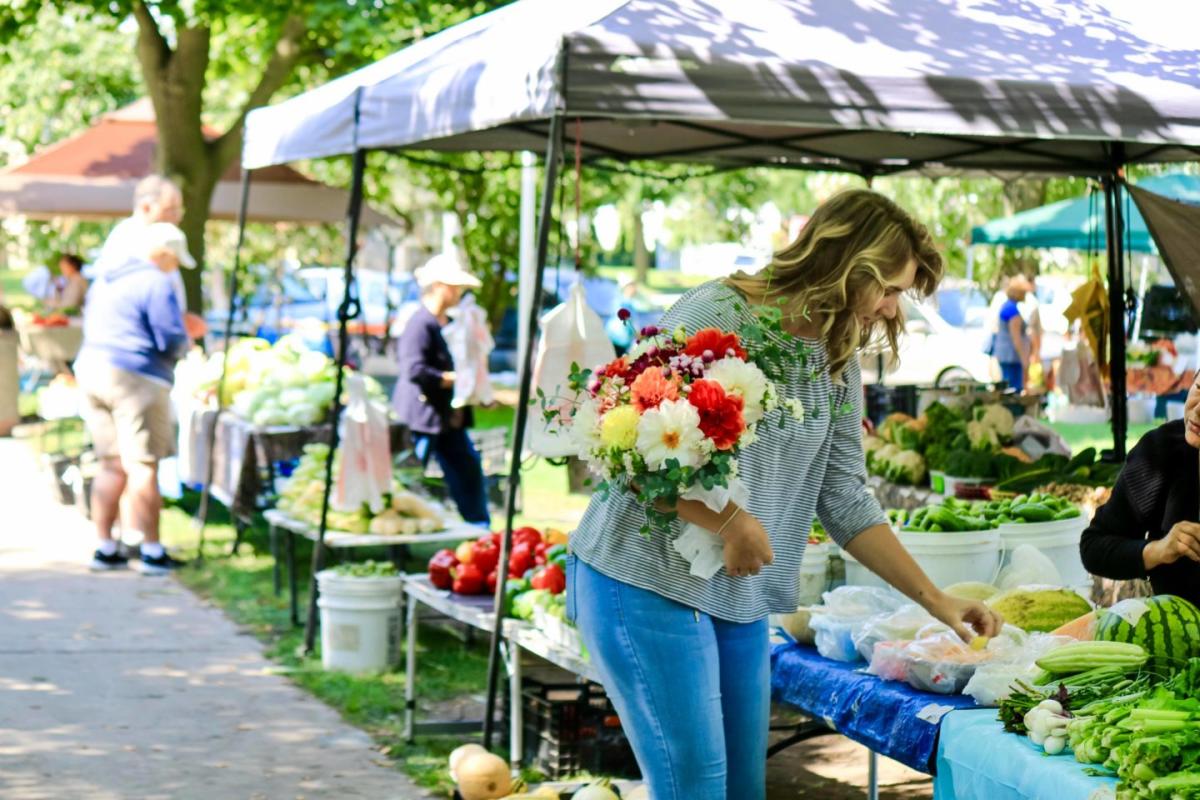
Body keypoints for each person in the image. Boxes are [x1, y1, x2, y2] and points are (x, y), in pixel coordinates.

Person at [566, 189, 1003, 800]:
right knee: (697, 787)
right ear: (852, 263)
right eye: (891, 288)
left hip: (737, 596)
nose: (889, 308)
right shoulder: (717, 314)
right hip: (641, 582)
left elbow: (845, 497)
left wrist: (938, 601)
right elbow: (623, 453)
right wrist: (729, 521)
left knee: (744, 789)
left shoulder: (836, 353)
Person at [75, 223, 194, 574]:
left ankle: (105, 547)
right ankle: (152, 552)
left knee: (110, 463)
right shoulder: (155, 281)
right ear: (164, 253)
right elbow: (170, 337)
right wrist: (188, 341)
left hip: (93, 370)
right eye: (175, 261)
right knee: (143, 465)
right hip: (135, 377)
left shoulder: (107, 278)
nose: (175, 269)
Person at [1080, 373, 1200, 606]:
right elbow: (1094, 546)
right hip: (1179, 633)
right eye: (1199, 388)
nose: (1197, 411)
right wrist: (1159, 550)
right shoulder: (1161, 451)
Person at [393, 253, 491, 525]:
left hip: (444, 419)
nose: (458, 292)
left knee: (467, 469)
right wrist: (452, 379)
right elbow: (413, 369)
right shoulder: (420, 323)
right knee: (408, 478)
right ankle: (398, 531)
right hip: (423, 418)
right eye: (454, 286)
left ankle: (478, 526)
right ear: (438, 286)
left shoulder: (444, 323)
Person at [97, 175, 207, 340]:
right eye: (171, 209)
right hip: (134, 349)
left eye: (179, 209)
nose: (178, 216)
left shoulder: (160, 237)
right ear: (146, 207)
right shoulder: (128, 240)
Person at [993, 275, 1033, 393]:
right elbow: (1016, 337)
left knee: (1009, 386)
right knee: (1013, 389)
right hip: (1011, 356)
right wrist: (1024, 358)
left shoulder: (1007, 306)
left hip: (1006, 354)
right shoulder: (1012, 310)